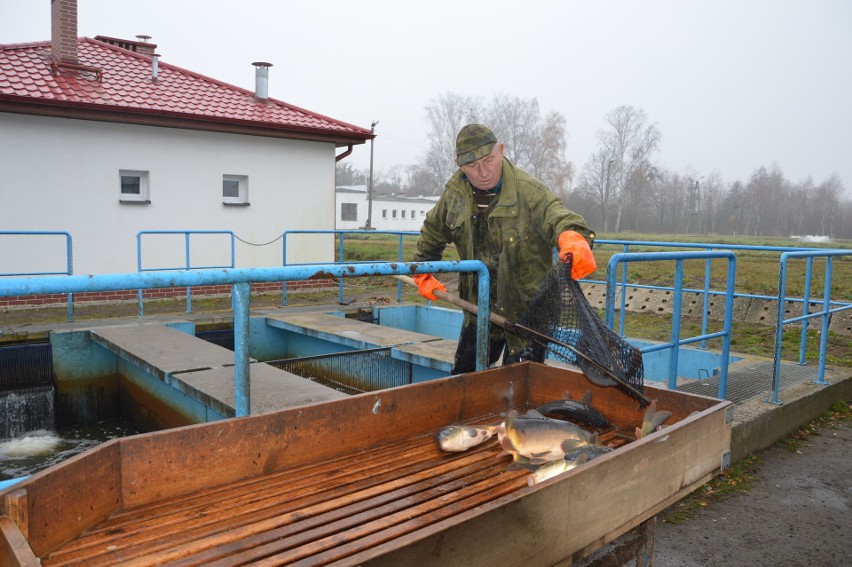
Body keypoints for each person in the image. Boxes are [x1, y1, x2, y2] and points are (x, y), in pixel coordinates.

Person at [412, 124, 597, 374]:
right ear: (459, 165)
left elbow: (558, 215)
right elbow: (434, 230)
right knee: (462, 382)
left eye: (488, 160)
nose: (482, 172)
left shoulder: (528, 191)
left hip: (527, 315)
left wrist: (572, 237)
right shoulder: (455, 193)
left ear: (501, 150)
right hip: (478, 309)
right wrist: (424, 270)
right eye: (472, 166)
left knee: (517, 391)